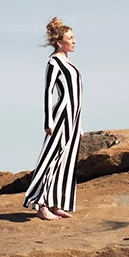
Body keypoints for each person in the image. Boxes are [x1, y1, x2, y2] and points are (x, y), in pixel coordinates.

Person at [23, 17, 82, 221]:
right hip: (60, 117)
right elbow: (49, 92)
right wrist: (48, 120)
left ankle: (57, 203)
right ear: (59, 42)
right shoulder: (53, 63)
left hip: (74, 118)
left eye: (74, 38)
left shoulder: (70, 64)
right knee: (51, 159)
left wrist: (79, 124)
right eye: (70, 38)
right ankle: (40, 204)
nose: (74, 41)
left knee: (67, 161)